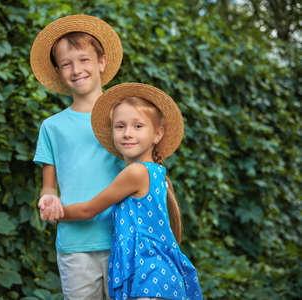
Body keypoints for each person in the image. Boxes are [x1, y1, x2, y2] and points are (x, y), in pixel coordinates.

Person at [44, 83, 203, 300]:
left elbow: (90, 210)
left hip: (148, 278)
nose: (127, 133)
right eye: (120, 126)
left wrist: (56, 213)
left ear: (157, 134)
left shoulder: (135, 173)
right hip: (156, 278)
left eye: (138, 126)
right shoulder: (155, 172)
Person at [30, 15, 124, 300]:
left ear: (101, 62)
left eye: (84, 59)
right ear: (58, 72)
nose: (77, 69)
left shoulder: (123, 118)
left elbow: (144, 167)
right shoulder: (52, 127)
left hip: (123, 239)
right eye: (66, 64)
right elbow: (49, 185)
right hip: (75, 244)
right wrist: (49, 198)